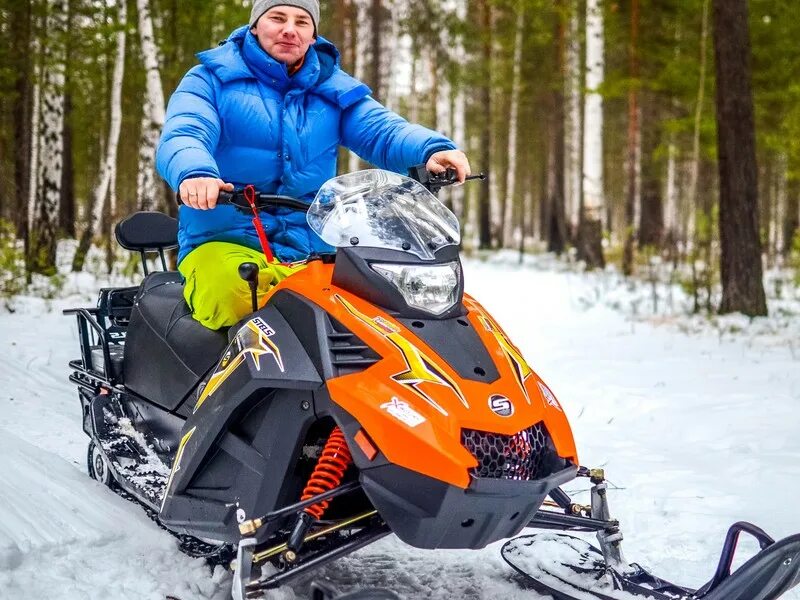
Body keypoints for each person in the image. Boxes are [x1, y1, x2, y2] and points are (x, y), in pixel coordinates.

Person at [156, 0, 471, 330]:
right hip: (226, 240)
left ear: (313, 34)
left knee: (379, 313)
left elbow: (383, 131)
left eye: (302, 21)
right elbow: (186, 131)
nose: (289, 29)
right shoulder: (211, 79)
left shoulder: (331, 87)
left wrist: (430, 150)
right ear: (254, 26)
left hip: (315, 249)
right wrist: (196, 174)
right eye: (277, 17)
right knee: (234, 295)